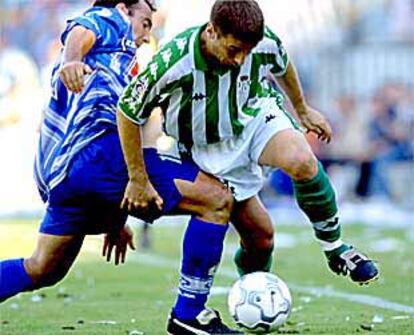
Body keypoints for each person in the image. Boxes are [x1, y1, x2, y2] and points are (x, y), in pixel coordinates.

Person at [117, 0, 379, 333]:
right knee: (261, 238)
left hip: (253, 118)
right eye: (234, 50)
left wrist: (302, 109)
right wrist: (137, 177)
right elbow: (128, 111)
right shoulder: (173, 60)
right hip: (204, 148)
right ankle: (256, 296)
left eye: (247, 51)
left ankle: (336, 249)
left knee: (301, 160)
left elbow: (282, 64)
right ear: (211, 31)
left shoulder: (261, 40)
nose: (241, 59)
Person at [0, 0, 156, 303]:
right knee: (212, 196)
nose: (147, 35)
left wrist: (116, 220)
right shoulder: (113, 19)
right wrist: (71, 60)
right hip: (92, 156)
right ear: (125, 9)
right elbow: (84, 27)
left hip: (67, 167)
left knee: (43, 268)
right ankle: (190, 312)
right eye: (146, 23)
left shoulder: (120, 59)